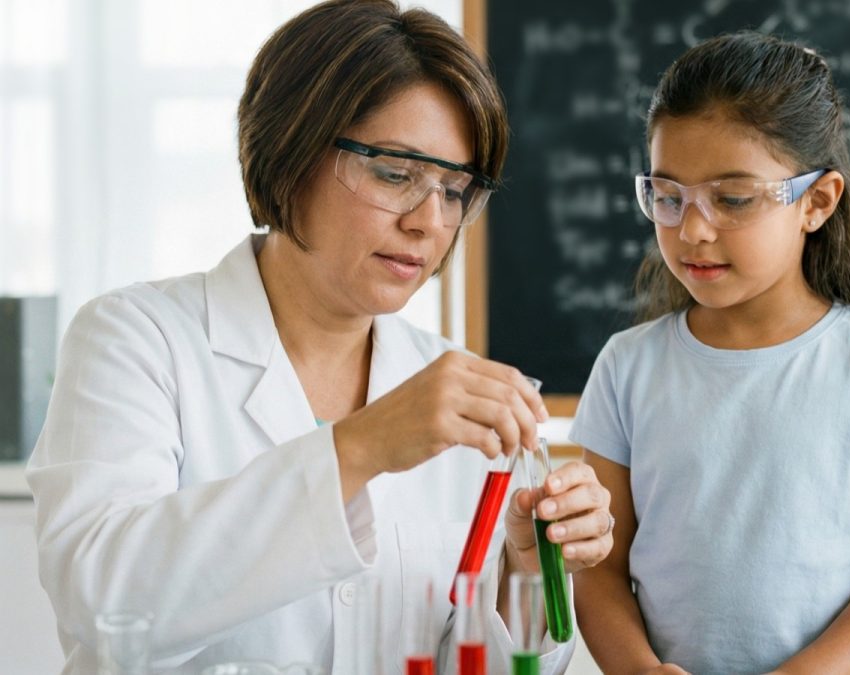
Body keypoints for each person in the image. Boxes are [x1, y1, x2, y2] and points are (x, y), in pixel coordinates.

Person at [27, 2, 613, 673]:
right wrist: (358, 448)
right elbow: (104, 603)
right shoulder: (135, 340)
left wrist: (522, 566)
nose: (430, 221)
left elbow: (467, 658)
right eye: (396, 172)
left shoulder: (454, 384)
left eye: (455, 190)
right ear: (293, 149)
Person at [570, 31, 850, 675]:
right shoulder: (627, 367)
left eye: (733, 198)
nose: (692, 229)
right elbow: (598, 569)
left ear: (816, 203)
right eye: (667, 196)